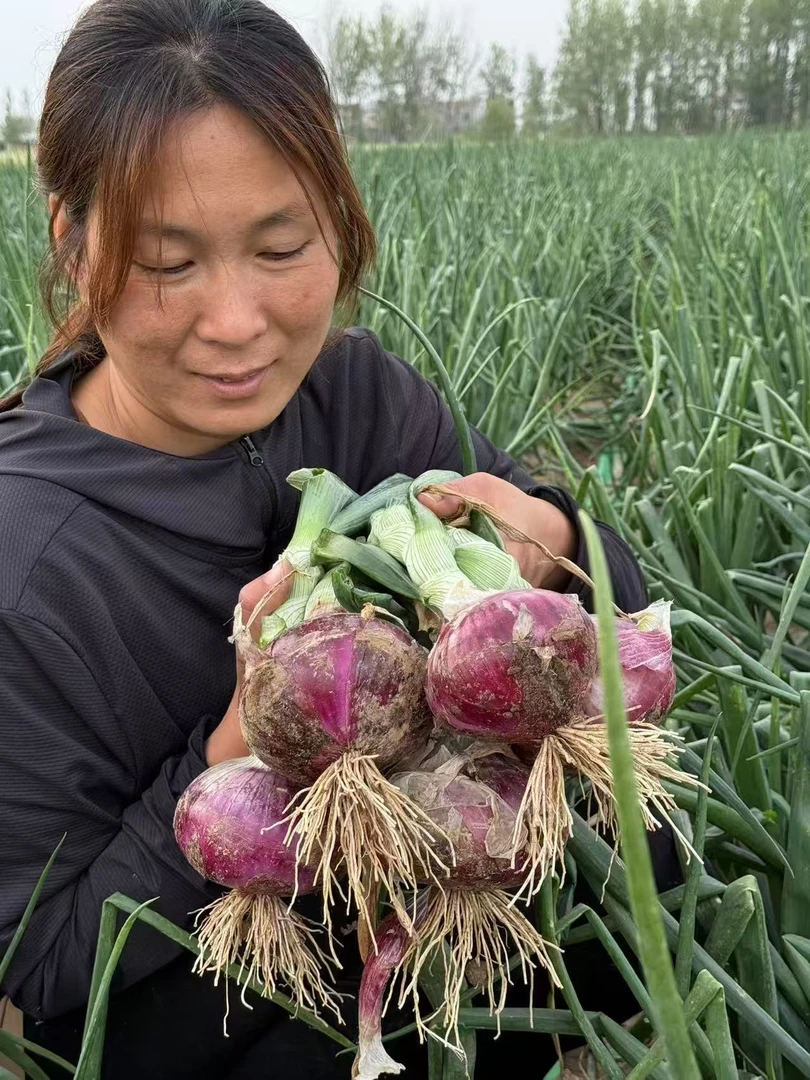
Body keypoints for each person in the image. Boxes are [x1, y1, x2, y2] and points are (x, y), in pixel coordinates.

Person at [0, 1, 657, 1076]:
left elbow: (605, 614)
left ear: (337, 225)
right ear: (74, 248)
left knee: (641, 823)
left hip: (457, 900)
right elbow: (44, 967)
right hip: (247, 1004)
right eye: (170, 263)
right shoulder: (24, 565)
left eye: (281, 245)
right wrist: (231, 761)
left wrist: (555, 546)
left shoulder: (359, 397)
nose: (237, 322)